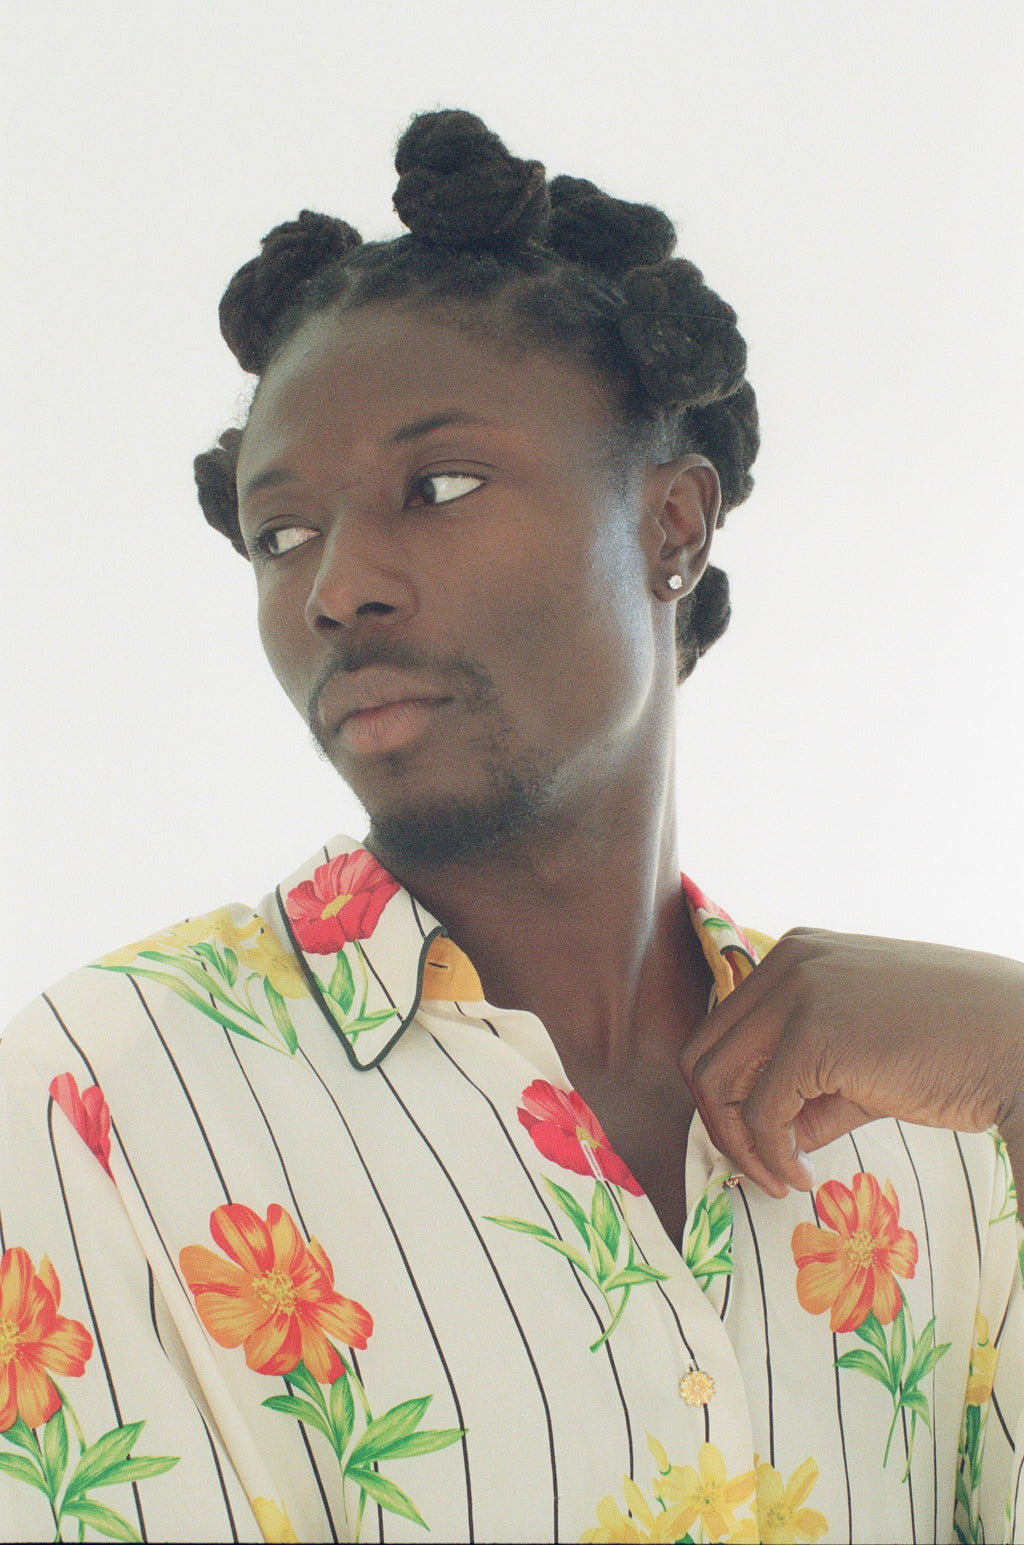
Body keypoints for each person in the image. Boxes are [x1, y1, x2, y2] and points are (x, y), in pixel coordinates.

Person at [1, 109, 1021, 1545]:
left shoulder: (937, 1119)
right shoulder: (97, 1109)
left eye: (441, 487)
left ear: (673, 525)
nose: (339, 584)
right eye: (280, 530)